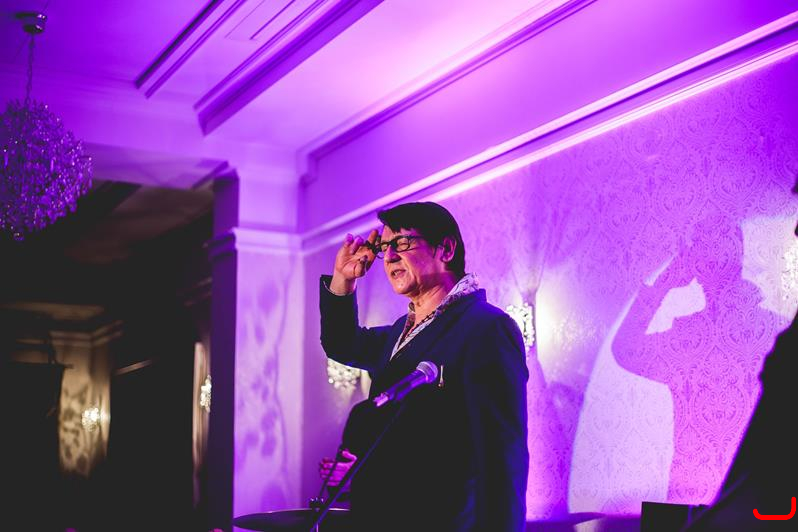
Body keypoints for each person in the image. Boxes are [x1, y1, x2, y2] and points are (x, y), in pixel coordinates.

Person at [318, 201, 529, 531]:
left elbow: (501, 457)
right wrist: (343, 278)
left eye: (402, 243)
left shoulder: (487, 328)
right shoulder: (397, 334)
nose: (389, 257)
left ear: (445, 249)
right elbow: (342, 344)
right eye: (384, 247)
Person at [682, 180, 798, 530]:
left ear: (736, 254)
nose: (796, 230)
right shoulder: (684, 330)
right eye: (700, 252)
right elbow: (626, 352)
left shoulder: (769, 323)